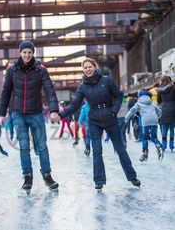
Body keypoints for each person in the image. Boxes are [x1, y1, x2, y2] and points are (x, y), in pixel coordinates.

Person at [59, 58, 141, 191]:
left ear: (94, 67)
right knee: (97, 151)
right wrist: (61, 114)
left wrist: (114, 111)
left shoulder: (106, 80)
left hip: (110, 119)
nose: (87, 69)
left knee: (120, 149)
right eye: (85, 67)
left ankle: (132, 176)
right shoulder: (82, 87)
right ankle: (99, 181)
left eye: (89, 66)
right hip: (94, 121)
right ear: (83, 70)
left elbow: (119, 95)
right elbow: (74, 105)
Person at [0, 40, 60, 192]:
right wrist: (1, 113)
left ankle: (47, 176)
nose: (27, 55)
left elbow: (49, 90)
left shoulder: (41, 69)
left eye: (30, 52)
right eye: (24, 52)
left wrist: (53, 109)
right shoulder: (12, 70)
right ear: (20, 53)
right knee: (24, 147)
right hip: (18, 114)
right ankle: (27, 177)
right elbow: (5, 92)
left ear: (33, 53)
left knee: (42, 146)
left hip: (36, 113)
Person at [125, 91, 162, 161]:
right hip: (154, 121)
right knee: (154, 137)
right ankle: (158, 144)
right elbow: (159, 112)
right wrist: (157, 118)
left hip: (145, 122)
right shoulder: (152, 103)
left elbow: (132, 111)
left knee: (145, 138)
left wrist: (126, 118)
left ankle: (145, 153)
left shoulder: (138, 104)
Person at [157, 76, 175, 152]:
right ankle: (171, 144)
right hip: (173, 109)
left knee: (164, 128)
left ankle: (164, 145)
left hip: (164, 110)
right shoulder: (173, 88)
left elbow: (158, 101)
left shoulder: (160, 90)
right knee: (171, 128)